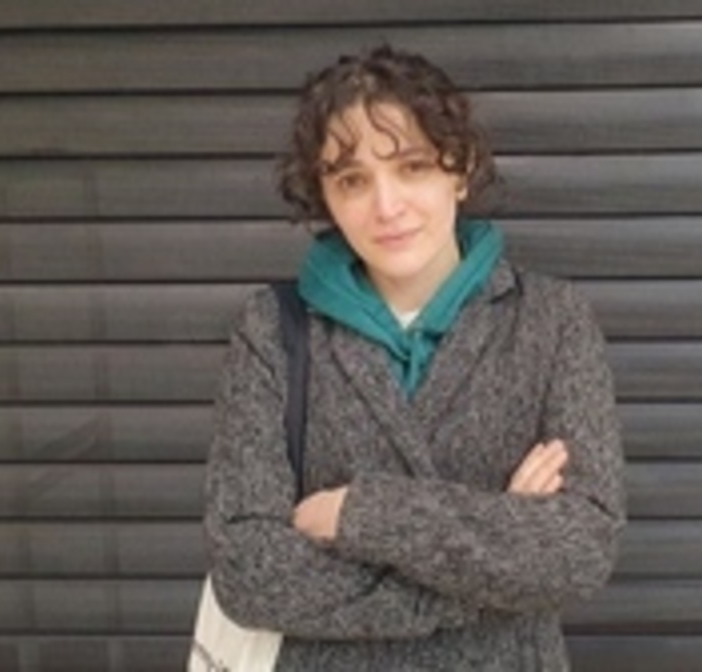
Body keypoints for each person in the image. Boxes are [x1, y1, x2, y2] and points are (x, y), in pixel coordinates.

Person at [203, 44, 626, 671]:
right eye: (352, 180)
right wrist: (496, 555)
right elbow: (248, 571)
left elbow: (581, 548)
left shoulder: (551, 319)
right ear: (324, 196)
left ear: (460, 169)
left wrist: (362, 513)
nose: (387, 206)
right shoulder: (273, 329)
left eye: (412, 167)